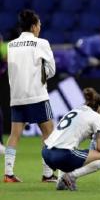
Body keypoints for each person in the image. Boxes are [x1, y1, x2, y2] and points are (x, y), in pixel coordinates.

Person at [4, 9, 56, 183]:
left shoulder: (11, 45)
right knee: (49, 133)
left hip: (17, 95)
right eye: (39, 24)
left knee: (14, 134)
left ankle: (8, 173)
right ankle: (47, 173)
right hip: (36, 95)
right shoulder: (41, 43)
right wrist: (42, 75)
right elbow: (51, 70)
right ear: (34, 26)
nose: (40, 27)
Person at [42, 88, 100, 191]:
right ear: (99, 107)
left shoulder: (74, 110)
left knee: (73, 150)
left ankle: (61, 182)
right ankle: (71, 176)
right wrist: (96, 137)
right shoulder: (96, 116)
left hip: (46, 153)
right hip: (62, 154)